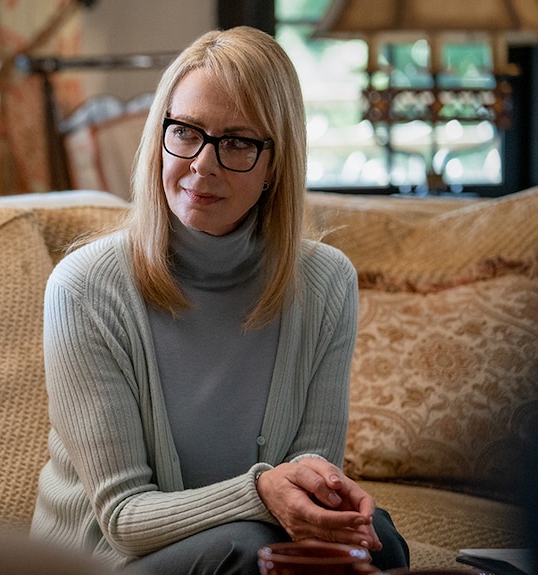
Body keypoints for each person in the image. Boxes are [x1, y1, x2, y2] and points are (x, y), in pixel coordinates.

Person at [30, 26, 409, 574]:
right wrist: (261, 492)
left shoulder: (326, 282)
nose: (202, 164)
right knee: (250, 550)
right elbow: (122, 517)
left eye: (236, 142)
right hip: (106, 560)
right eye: (185, 132)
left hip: (245, 542)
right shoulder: (84, 288)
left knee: (378, 541)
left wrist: (328, 501)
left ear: (275, 165)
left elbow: (312, 467)